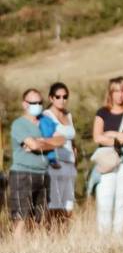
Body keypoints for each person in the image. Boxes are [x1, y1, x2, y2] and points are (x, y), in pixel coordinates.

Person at [8, 89, 64, 238]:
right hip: (22, 175)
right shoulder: (19, 124)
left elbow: (61, 140)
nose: (37, 105)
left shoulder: (45, 122)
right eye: (33, 103)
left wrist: (41, 142)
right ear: (24, 104)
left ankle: (36, 251)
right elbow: (33, 145)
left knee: (41, 218)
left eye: (40, 102)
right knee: (21, 217)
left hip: (43, 174)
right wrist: (44, 143)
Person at [92, 76, 123, 234]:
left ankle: (119, 236)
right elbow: (97, 137)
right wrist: (122, 138)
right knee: (104, 199)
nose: (120, 95)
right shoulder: (102, 112)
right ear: (110, 93)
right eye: (116, 91)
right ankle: (103, 236)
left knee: (122, 200)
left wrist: (112, 134)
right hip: (107, 161)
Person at [43, 82, 78, 226]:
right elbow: (46, 139)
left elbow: (72, 140)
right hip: (55, 164)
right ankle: (52, 236)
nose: (61, 100)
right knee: (54, 205)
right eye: (58, 97)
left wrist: (75, 156)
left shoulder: (68, 115)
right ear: (51, 98)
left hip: (70, 164)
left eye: (65, 97)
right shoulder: (46, 116)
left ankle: (63, 235)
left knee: (68, 206)